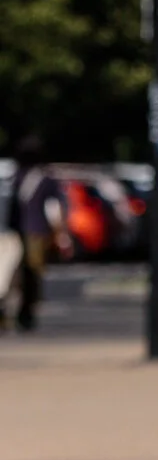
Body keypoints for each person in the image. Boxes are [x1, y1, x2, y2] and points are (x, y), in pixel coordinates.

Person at [3, 136, 63, 333]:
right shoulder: (46, 178)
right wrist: (60, 232)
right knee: (32, 273)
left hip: (13, 232)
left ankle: (8, 311)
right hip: (36, 232)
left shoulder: (15, 176)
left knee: (10, 273)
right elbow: (53, 208)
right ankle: (25, 313)